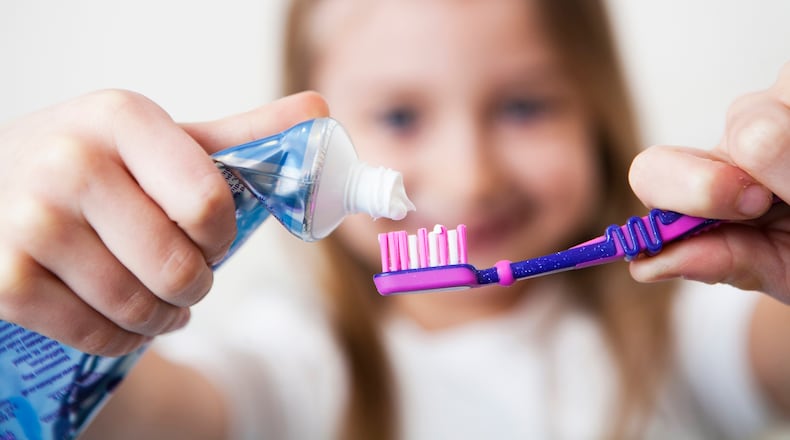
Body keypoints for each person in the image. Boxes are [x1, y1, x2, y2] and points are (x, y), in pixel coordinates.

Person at [0, 0, 788, 438]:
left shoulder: (681, 326)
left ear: (597, 110)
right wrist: (43, 295)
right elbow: (140, 422)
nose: (470, 177)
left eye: (523, 105)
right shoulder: (287, 369)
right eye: (401, 115)